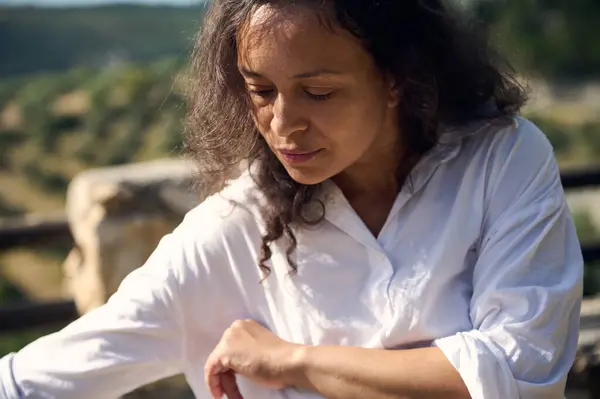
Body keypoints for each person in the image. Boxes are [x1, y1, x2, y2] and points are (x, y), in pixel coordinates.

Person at [0, 0, 584, 398]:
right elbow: (38, 379)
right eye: (260, 90)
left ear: (397, 77)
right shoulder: (231, 231)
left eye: (319, 92)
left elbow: (520, 371)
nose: (283, 124)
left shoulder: (500, 160)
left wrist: (292, 360)